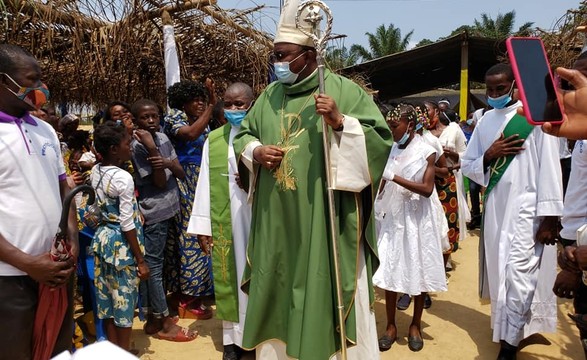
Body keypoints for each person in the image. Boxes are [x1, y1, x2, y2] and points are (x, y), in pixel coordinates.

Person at [232, 1, 393, 358]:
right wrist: (256, 152)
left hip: (324, 219)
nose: (277, 64)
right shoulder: (270, 96)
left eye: (283, 55)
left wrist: (340, 123)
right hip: (277, 221)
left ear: (309, 55)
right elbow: (244, 135)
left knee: (321, 283)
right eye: (274, 55)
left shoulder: (344, 92)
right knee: (278, 286)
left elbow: (380, 142)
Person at [461, 63, 562, 360]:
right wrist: (490, 154)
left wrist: (550, 216)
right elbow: (468, 165)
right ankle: (507, 329)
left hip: (528, 210)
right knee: (500, 272)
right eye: (489, 90)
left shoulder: (532, 118)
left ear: (514, 86)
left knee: (519, 275)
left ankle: (509, 344)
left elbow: (551, 167)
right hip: (496, 210)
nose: (494, 94)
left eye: (500, 89)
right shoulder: (484, 122)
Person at [0, 44, 78, 360]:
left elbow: (65, 189)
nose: (39, 89)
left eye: (40, 80)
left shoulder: (45, 130)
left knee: (57, 351)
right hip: (11, 278)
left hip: (56, 271)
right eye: (30, 81)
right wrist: (28, 263)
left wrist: (71, 241)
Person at [188, 83, 255, 360]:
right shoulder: (214, 139)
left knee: (255, 279)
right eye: (228, 104)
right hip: (226, 219)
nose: (234, 109)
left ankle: (255, 336)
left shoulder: (262, 133)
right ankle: (232, 339)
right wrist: (204, 227)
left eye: (240, 104)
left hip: (257, 217)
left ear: (252, 103)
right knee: (230, 278)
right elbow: (204, 182)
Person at [373, 104, 447, 353]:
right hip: (394, 217)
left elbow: (426, 189)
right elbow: (383, 183)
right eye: (390, 126)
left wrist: (394, 177)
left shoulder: (427, 151)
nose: (391, 131)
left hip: (417, 218)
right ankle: (391, 326)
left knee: (418, 266)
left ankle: (415, 324)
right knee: (390, 267)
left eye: (394, 126)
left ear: (411, 125)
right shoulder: (391, 149)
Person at [129, 99, 196, 342]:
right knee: (153, 267)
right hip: (154, 212)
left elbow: (178, 171)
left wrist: (165, 160)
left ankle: (154, 317)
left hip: (170, 208)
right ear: (136, 121)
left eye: (154, 116)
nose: (150, 121)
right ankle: (164, 322)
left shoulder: (164, 138)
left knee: (159, 263)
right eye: (145, 118)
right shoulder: (138, 146)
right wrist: (152, 149)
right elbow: (158, 182)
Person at [90, 121, 150, 353]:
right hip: (121, 247)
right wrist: (141, 260)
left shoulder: (96, 171)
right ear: (114, 149)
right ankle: (124, 352)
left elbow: (99, 207)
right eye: (127, 143)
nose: (132, 146)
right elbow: (126, 223)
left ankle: (113, 351)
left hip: (102, 240)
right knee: (124, 300)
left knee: (107, 300)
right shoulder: (123, 178)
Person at [163, 78, 216, 318]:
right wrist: (211, 107)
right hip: (184, 182)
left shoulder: (201, 120)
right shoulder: (175, 118)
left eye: (202, 100)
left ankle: (197, 290)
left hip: (201, 180)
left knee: (204, 234)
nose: (200, 104)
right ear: (182, 102)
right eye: (195, 100)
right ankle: (187, 298)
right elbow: (191, 135)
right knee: (190, 237)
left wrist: (211, 101)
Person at [425, 102, 467, 266]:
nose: (424, 113)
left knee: (446, 221)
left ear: (435, 111)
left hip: (447, 180)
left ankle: (444, 261)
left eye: (427, 110)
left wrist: (453, 157)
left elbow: (466, 155)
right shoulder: (421, 134)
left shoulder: (453, 130)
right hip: (426, 182)